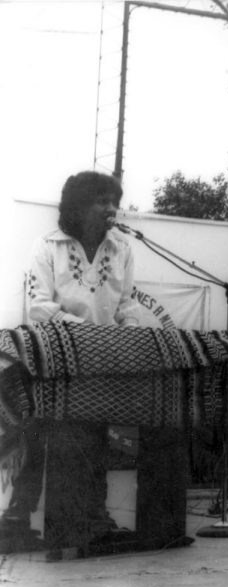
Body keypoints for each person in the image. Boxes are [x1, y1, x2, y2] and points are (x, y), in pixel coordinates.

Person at [1, 171, 143, 552]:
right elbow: (41, 309)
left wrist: (128, 334)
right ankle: (16, 517)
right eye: (101, 200)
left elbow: (127, 304)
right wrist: (91, 333)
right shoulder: (47, 247)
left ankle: (96, 519)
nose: (111, 208)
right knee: (40, 434)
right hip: (52, 358)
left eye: (115, 200)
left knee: (95, 438)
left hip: (100, 363)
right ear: (78, 207)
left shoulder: (124, 249)